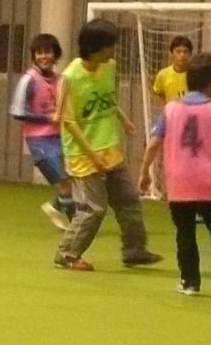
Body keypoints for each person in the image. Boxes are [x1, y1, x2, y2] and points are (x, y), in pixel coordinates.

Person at [52, 19, 163, 271]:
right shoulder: (70, 78)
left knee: (129, 200)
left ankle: (134, 251)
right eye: (110, 46)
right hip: (83, 155)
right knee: (94, 208)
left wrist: (123, 118)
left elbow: (107, 98)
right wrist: (93, 156)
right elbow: (68, 121)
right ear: (95, 48)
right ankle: (67, 254)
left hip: (110, 149)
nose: (113, 51)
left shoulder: (109, 67)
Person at [139, 52, 211, 304]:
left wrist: (144, 172)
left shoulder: (170, 109)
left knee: (185, 233)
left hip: (180, 184)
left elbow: (154, 143)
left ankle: (189, 282)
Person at [9, 33, 75, 230]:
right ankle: (77, 226)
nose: (43, 56)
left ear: (56, 55)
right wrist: (47, 118)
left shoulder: (59, 79)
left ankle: (54, 207)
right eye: (39, 53)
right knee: (64, 180)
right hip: (39, 140)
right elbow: (17, 111)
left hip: (60, 137)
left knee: (74, 179)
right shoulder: (29, 80)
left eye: (48, 52)